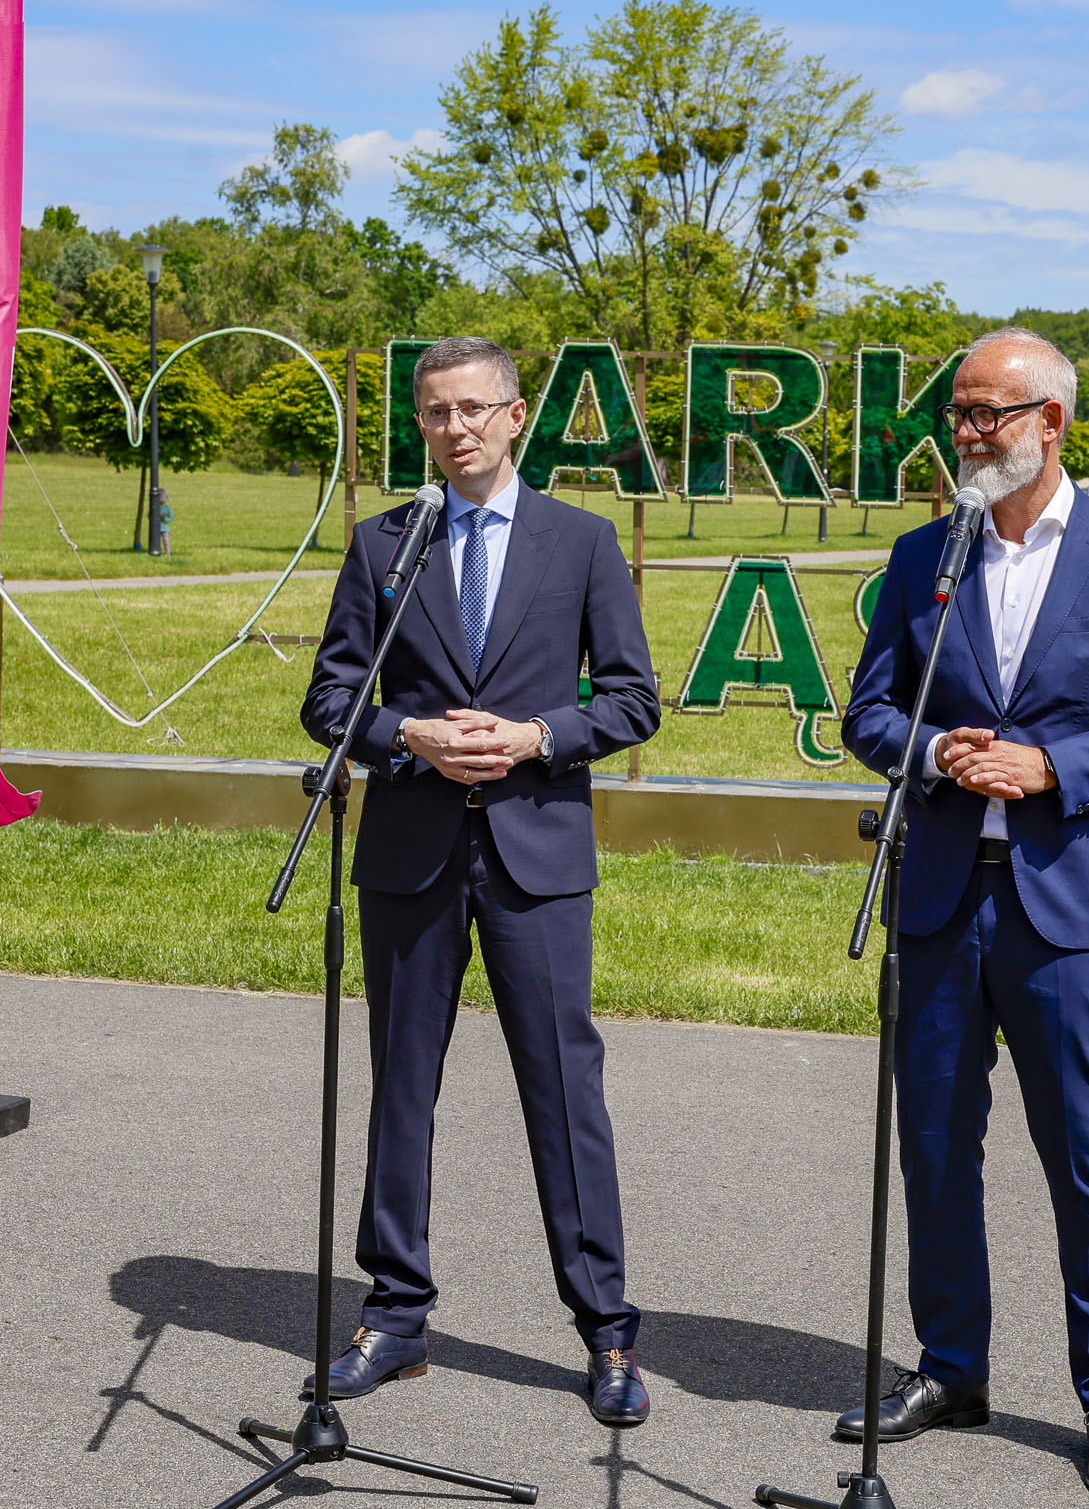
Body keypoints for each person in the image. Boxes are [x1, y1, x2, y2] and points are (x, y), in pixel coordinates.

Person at [840, 328, 1089, 1500]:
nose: (964, 432)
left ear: (1051, 422)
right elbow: (868, 713)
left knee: (1080, 1156)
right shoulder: (924, 555)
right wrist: (933, 754)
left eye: (986, 412)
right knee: (934, 1147)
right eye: (956, 412)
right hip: (939, 900)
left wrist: (1049, 767)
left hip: (1069, 914)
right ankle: (951, 1370)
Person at [299, 336, 660, 1427]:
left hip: (534, 860)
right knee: (401, 1088)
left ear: (513, 417)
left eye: (471, 409)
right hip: (409, 856)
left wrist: (535, 735)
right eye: (433, 413)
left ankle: (606, 1331)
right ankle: (394, 1315)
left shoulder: (582, 542)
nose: (452, 429)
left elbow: (632, 700)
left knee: (564, 1093)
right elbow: (331, 700)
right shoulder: (385, 543)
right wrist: (406, 735)